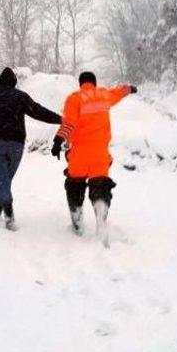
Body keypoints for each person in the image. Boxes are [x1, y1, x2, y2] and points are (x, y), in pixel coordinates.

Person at [51, 72, 137, 243]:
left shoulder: (74, 98)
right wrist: (130, 89)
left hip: (79, 153)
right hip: (100, 153)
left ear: (81, 83)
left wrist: (58, 140)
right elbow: (119, 92)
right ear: (94, 83)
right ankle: (100, 205)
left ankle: (77, 218)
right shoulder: (104, 94)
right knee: (100, 184)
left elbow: (69, 123)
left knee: (75, 185)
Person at [0, 67, 62, 231]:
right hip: (16, 144)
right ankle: (2, 211)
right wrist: (60, 119)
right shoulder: (20, 97)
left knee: (2, 178)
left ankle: (6, 213)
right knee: (5, 178)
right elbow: (38, 112)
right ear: (14, 82)